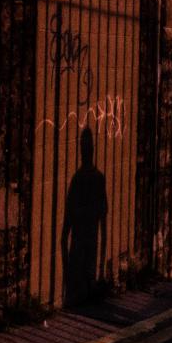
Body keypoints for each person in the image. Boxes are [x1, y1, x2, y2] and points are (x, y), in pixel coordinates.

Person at [60, 127, 107, 305]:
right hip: (87, 247)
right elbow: (103, 224)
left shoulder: (80, 179)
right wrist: (101, 269)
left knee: (79, 299)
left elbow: (66, 230)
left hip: (80, 248)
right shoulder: (92, 179)